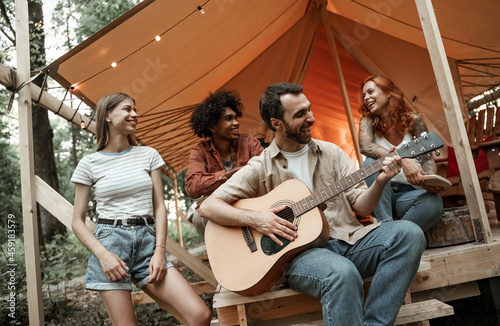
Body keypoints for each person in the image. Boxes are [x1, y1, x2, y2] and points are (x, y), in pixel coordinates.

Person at [199, 82, 426, 325]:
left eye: (309, 109)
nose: (311, 118)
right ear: (277, 123)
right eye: (300, 114)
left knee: (410, 234)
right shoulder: (261, 166)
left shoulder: (333, 153)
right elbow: (208, 206)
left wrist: (380, 182)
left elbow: (362, 207)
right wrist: (258, 219)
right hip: (302, 256)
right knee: (342, 273)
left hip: (350, 241)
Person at [71, 93, 212, 326]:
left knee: (200, 315)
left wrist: (159, 251)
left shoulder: (148, 155)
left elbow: (159, 207)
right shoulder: (89, 163)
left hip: (148, 244)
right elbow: (77, 221)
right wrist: (104, 256)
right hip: (110, 245)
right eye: (127, 109)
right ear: (107, 115)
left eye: (135, 110)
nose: (134, 114)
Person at [359, 75, 444, 231]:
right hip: (379, 194)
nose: (366, 98)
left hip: (409, 193)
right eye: (364, 95)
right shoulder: (367, 122)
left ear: (388, 92)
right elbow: (365, 147)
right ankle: (388, 224)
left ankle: (392, 233)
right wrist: (402, 160)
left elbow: (427, 159)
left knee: (434, 203)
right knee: (370, 163)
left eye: (370, 92)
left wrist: (428, 178)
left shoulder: (414, 120)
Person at [185, 89, 263, 237]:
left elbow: (264, 171)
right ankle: (222, 255)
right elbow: (192, 186)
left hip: (249, 200)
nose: (236, 123)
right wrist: (230, 173)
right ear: (212, 126)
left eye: (236, 118)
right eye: (229, 119)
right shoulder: (200, 151)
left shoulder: (249, 142)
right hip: (219, 205)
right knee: (198, 214)